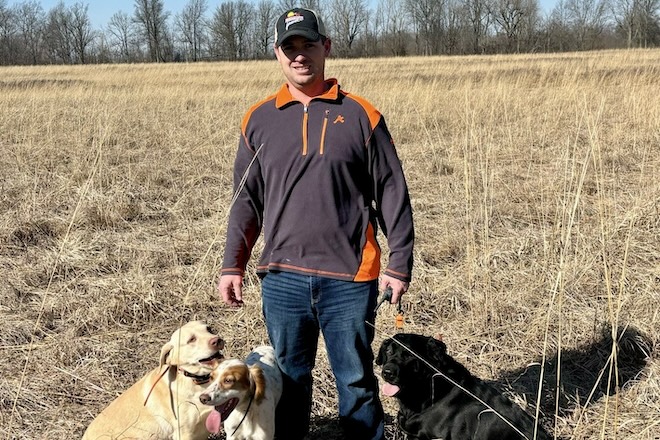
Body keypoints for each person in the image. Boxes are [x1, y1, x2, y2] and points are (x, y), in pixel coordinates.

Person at [217, 7, 414, 440]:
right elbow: (245, 199)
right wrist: (233, 263)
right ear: (277, 54)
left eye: (308, 44)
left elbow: (393, 192)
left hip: (350, 276)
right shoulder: (259, 119)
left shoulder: (362, 115)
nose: (300, 55)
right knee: (288, 381)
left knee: (357, 383)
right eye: (290, 47)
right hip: (283, 277)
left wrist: (399, 265)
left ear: (325, 47)